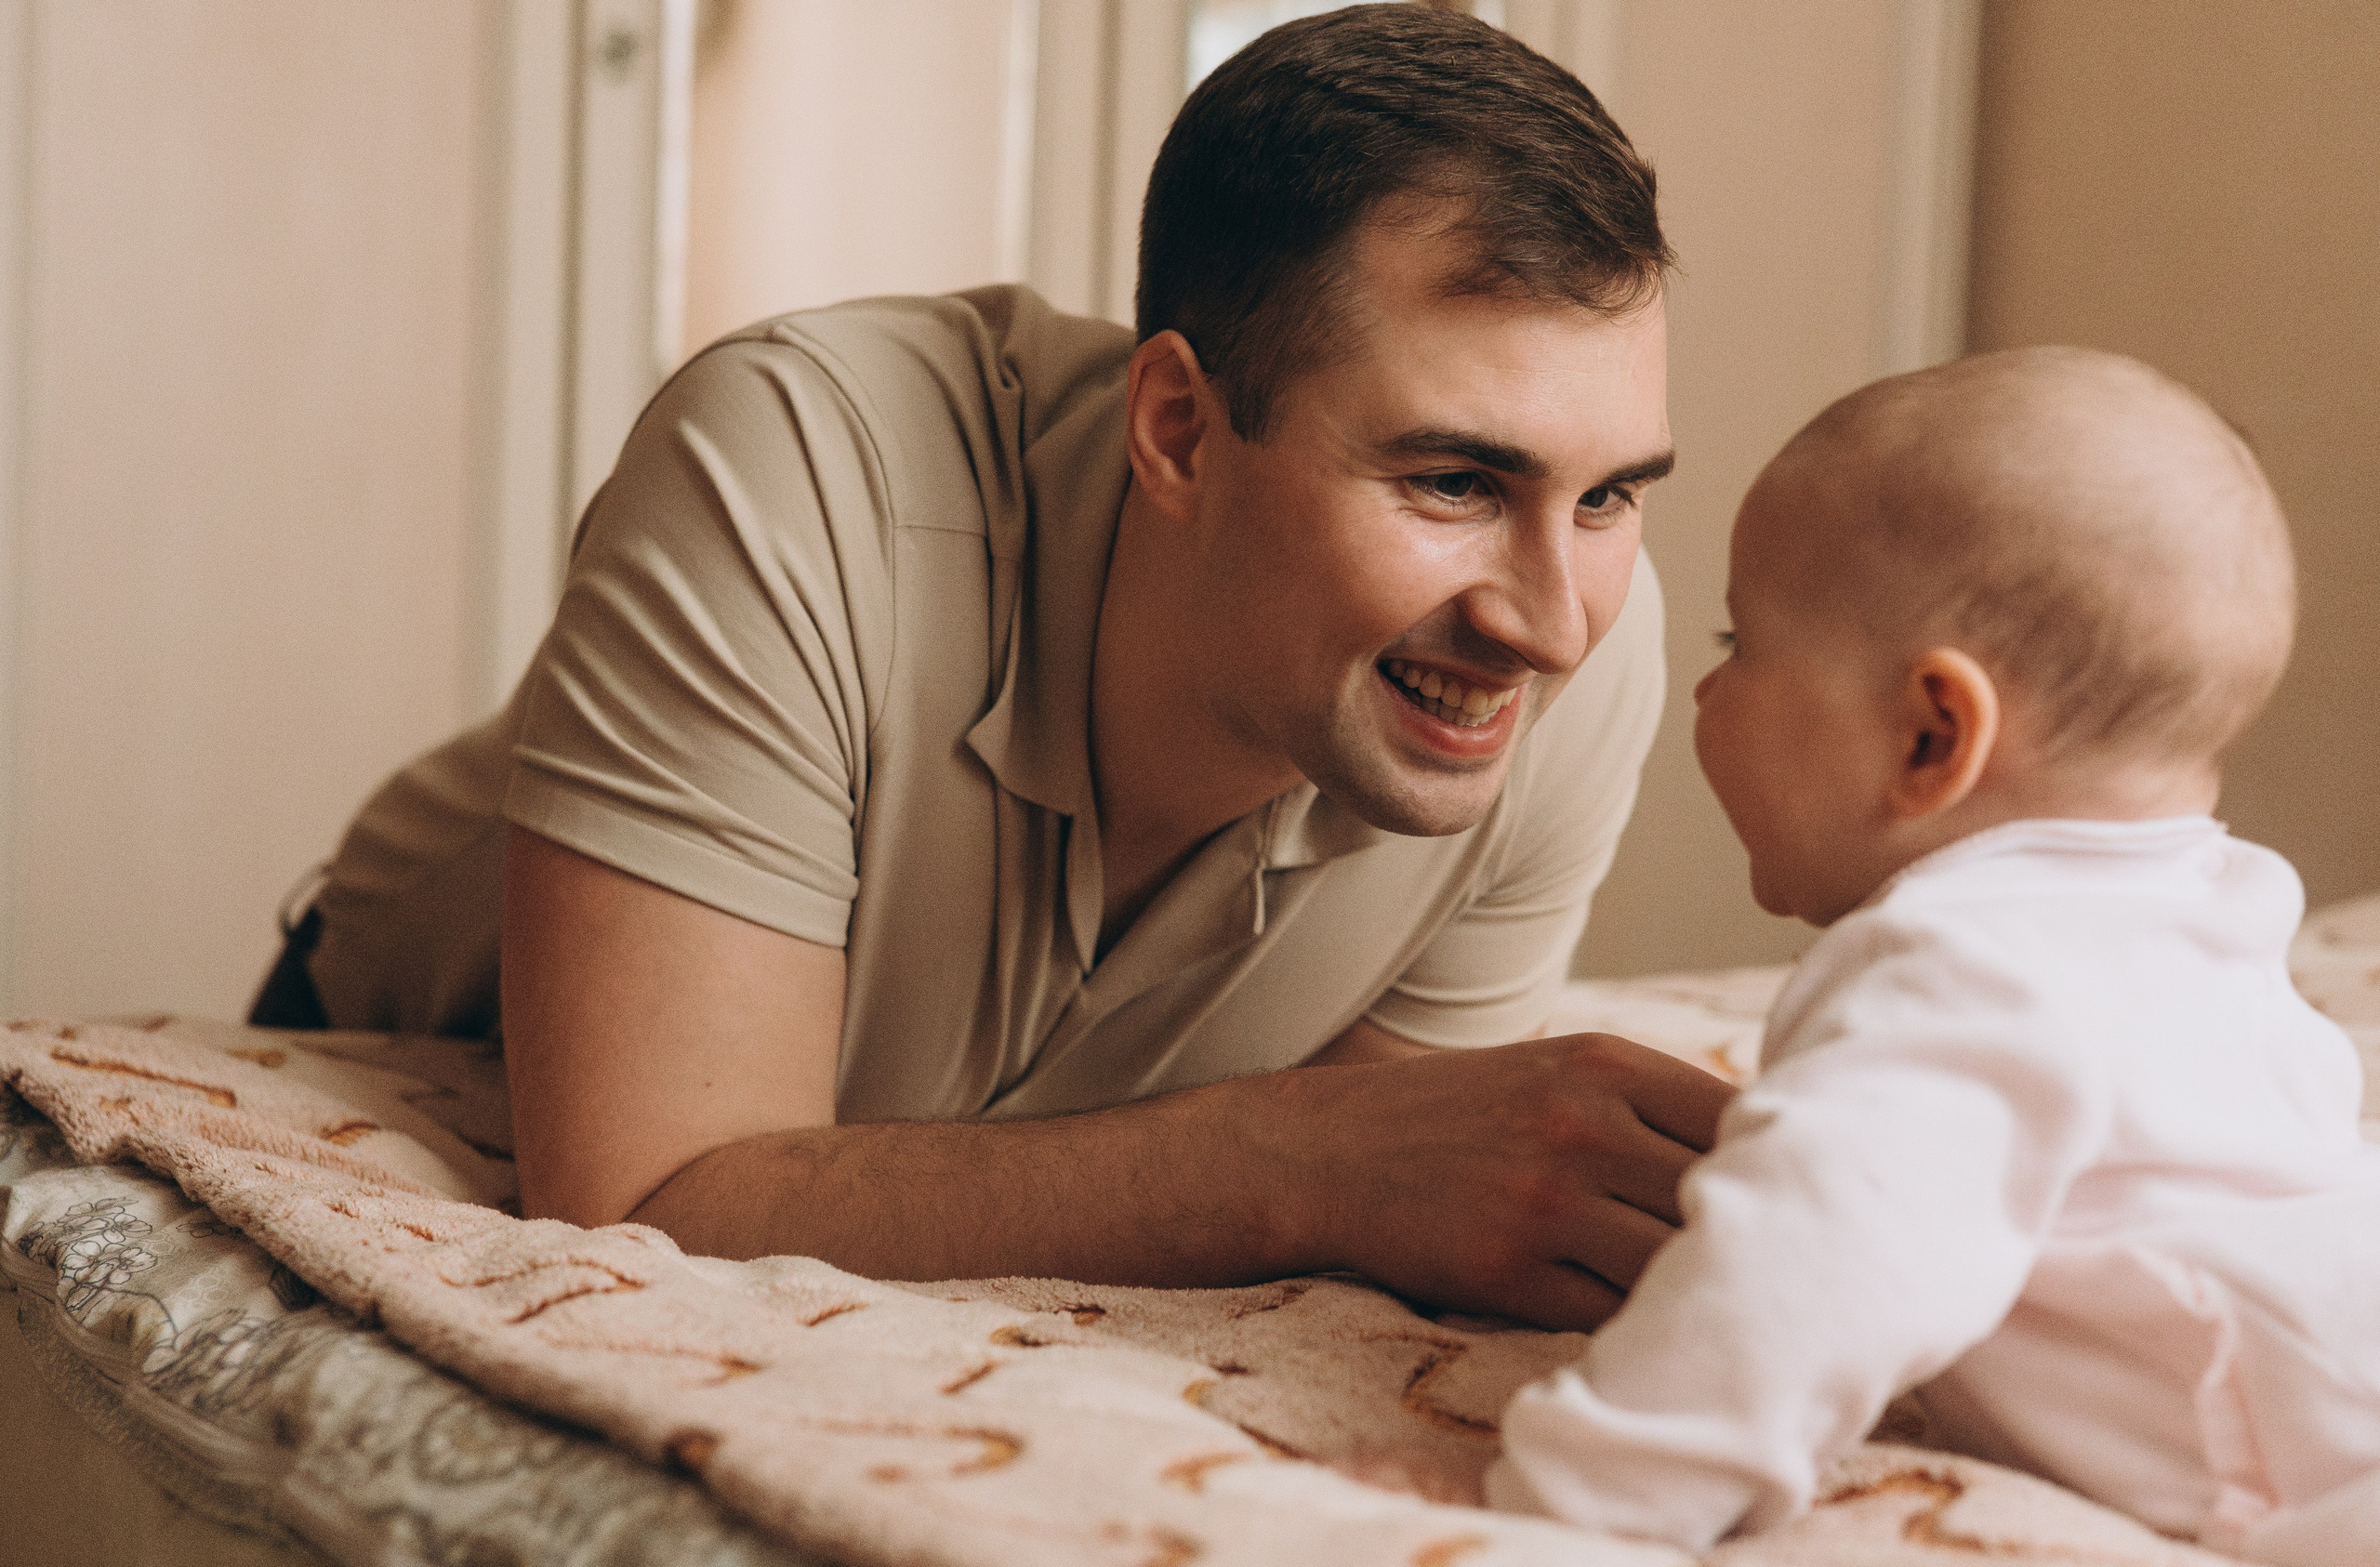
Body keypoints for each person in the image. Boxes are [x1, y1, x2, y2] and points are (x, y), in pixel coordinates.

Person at [253, 6, 1733, 1327]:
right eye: (1456, 482)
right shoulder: (793, 473)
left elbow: (1405, 1184)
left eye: (1610, 494)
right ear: (1179, 431)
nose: (1552, 624)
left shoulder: (1576, 670)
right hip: (420, 1043)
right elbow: (649, 1200)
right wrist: (1301, 1159)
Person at [1488, 347, 2380, 1561]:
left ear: (1931, 734)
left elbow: (1805, 1256)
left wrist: (1577, 1495)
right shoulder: (2209, 904)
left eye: (1740, 641)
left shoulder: (1962, 971)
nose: (1703, 691)